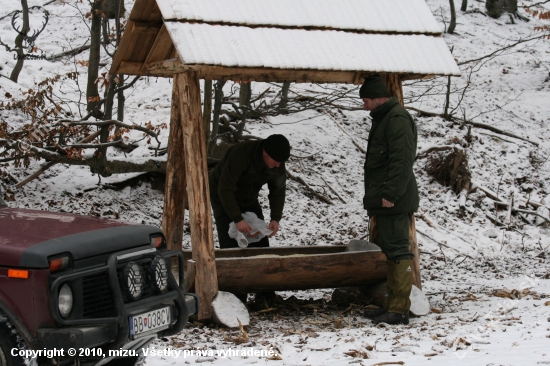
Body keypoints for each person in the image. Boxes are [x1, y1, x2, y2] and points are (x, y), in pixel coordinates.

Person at [360, 75, 419, 325]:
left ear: (378, 98)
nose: (364, 105)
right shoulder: (385, 118)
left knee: (399, 253)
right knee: (392, 253)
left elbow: (401, 161)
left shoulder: (396, 119)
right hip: (385, 199)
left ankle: (399, 310)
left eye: (366, 100)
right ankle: (394, 306)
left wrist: (390, 194)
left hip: (393, 200)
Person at [209, 134, 291, 249]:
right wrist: (237, 218)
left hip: (249, 197)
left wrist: (275, 218)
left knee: (259, 240)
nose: (278, 165)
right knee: (231, 241)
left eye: (281, 162)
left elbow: (278, 190)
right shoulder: (241, 154)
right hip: (221, 194)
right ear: (265, 152)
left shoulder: (277, 162)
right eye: (276, 161)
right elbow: (225, 189)